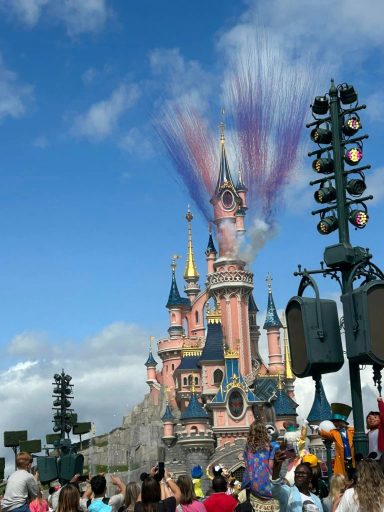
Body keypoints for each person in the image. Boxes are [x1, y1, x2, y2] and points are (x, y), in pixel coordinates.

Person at [241, 421, 277, 511]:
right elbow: (270, 466)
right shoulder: (271, 446)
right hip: (267, 485)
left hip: (253, 484)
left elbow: (247, 466)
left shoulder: (247, 447)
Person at [320, 403, 354, 477]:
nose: (334, 424)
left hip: (352, 459)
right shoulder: (334, 432)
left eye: (336, 422)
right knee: (342, 477)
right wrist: (318, 429)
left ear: (342, 422)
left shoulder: (351, 431)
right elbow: (325, 433)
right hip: (342, 460)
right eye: (334, 422)